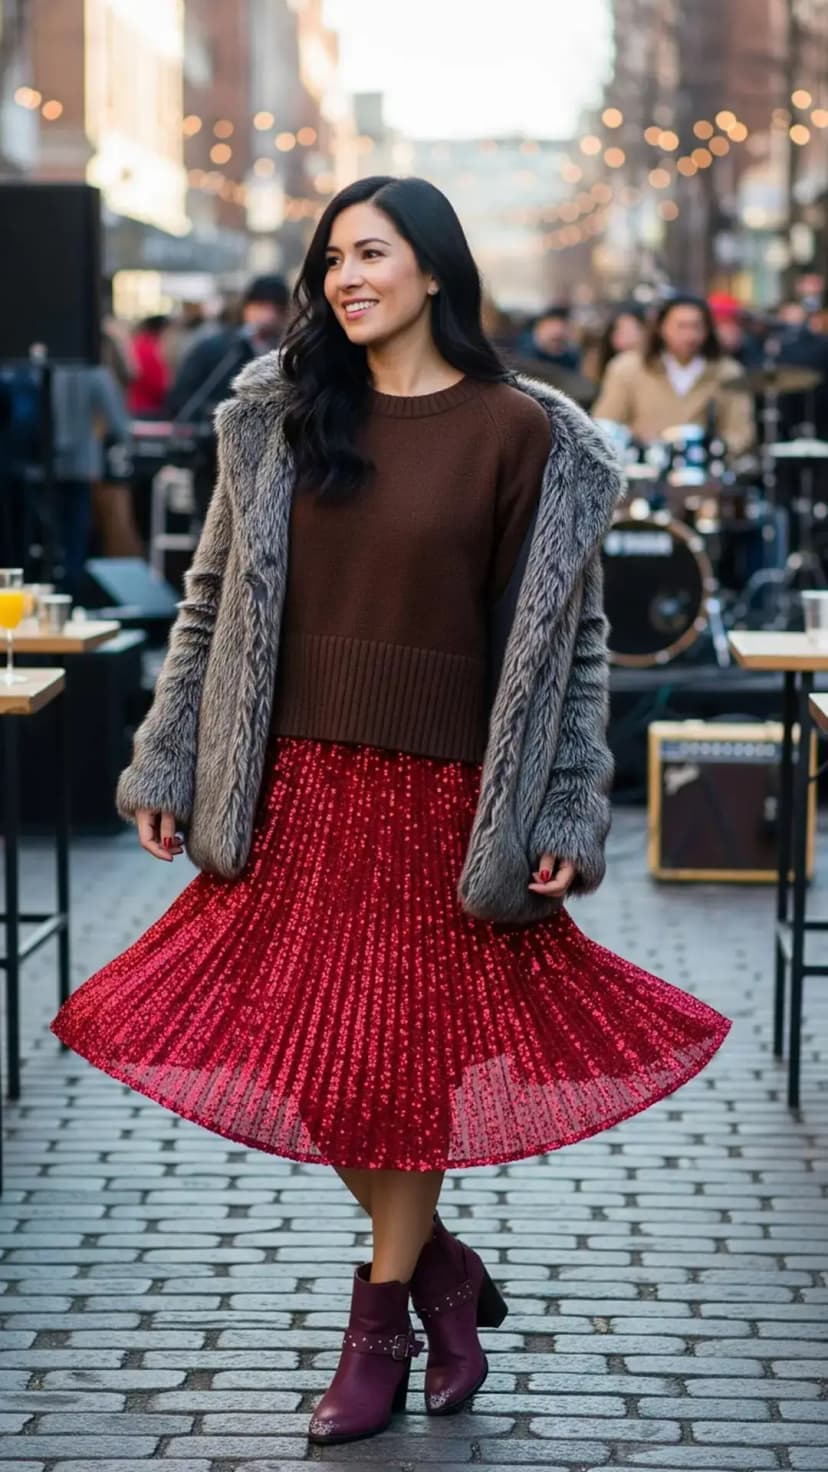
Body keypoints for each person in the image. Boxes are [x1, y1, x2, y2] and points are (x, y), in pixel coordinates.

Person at [50, 177, 730, 1448]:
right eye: (330, 259)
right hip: (291, 778)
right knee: (314, 1058)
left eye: (370, 253)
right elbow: (207, 604)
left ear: (433, 269)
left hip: (443, 797)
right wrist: (167, 756)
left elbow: (572, 646)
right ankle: (443, 1271)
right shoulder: (278, 414)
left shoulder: (525, 433)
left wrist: (567, 803)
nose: (344, 277)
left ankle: (375, 1325)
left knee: (399, 1066)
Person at [592, 293, 755, 456]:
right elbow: (606, 424)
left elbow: (740, 433)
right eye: (681, 326)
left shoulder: (727, 372)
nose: (689, 336)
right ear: (661, 328)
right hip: (644, 467)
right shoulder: (627, 368)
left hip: (705, 468)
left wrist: (715, 449)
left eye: (696, 326)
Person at [166, 274, 290, 423]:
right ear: (246, 308)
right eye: (261, 307)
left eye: (277, 310)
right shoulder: (218, 349)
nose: (269, 316)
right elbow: (184, 398)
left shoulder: (287, 354)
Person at [586, 303, 645, 383]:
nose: (618, 335)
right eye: (617, 329)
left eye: (627, 331)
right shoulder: (599, 360)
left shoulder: (646, 363)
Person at [127, 315, 171, 417]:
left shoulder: (139, 344)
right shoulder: (149, 349)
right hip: (148, 407)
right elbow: (157, 384)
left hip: (139, 405)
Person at [516, 303, 581, 371]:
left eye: (560, 340)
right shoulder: (517, 349)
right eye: (554, 339)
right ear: (539, 328)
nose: (557, 344)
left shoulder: (571, 358)